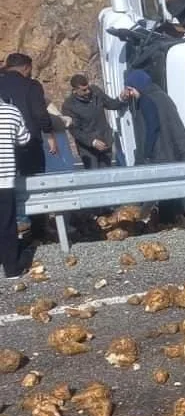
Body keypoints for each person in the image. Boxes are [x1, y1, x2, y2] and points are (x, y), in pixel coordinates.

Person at [122, 69, 185, 225]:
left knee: (162, 193)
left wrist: (147, 153)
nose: (130, 93)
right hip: (172, 149)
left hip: (159, 153)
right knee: (173, 192)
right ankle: (176, 222)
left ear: (138, 86)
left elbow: (152, 127)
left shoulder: (146, 100)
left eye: (130, 89)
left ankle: (163, 224)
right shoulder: (161, 96)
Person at [0, 53, 58, 239]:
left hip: (3, 146)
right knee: (34, 184)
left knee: (7, 188)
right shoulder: (31, 86)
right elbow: (40, 114)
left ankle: (12, 227)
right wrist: (49, 132)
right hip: (29, 144)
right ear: (26, 67)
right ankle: (38, 230)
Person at [61, 74, 128, 169]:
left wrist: (121, 99)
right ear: (75, 90)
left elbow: (111, 104)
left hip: (105, 141)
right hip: (88, 149)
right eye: (84, 90)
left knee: (107, 175)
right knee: (94, 177)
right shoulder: (69, 105)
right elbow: (75, 131)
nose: (88, 91)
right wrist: (92, 142)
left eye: (88, 88)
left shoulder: (95, 92)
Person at [0, 99, 31, 278]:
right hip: (4, 177)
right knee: (6, 223)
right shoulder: (11, 111)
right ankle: (11, 269)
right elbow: (24, 138)